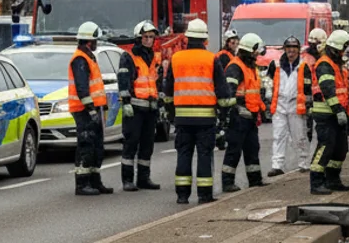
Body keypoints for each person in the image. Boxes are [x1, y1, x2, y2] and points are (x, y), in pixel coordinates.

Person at [163, 18, 233, 204]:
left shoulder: (176, 58)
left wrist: (171, 114)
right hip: (205, 119)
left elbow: (168, 90)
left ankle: (182, 195)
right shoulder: (211, 59)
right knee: (204, 154)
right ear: (204, 40)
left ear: (187, 38)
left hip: (182, 119)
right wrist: (224, 115)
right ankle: (204, 195)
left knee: (183, 154)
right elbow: (223, 91)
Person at [118, 21, 162, 191]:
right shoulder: (129, 56)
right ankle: (127, 179)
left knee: (147, 144)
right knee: (131, 143)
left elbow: (158, 81)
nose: (149, 40)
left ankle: (144, 178)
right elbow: (124, 81)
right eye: (145, 37)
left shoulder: (154, 57)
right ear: (138, 38)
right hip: (135, 107)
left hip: (150, 108)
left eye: (151, 37)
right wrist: (126, 102)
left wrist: (161, 102)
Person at [70, 21, 112, 196]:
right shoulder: (80, 59)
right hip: (84, 110)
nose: (97, 43)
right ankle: (82, 184)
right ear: (89, 41)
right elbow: (82, 88)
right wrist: (91, 109)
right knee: (86, 145)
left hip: (92, 109)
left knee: (96, 146)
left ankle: (95, 181)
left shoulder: (88, 57)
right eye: (96, 40)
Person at [221, 33, 267, 191]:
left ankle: (255, 180)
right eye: (255, 51)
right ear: (250, 50)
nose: (257, 55)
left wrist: (260, 110)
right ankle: (227, 183)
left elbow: (253, 92)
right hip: (238, 117)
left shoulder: (250, 67)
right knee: (234, 150)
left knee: (253, 148)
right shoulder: (235, 67)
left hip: (250, 116)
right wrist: (239, 109)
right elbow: (229, 92)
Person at [311, 30, 349, 195]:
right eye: (342, 49)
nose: (344, 52)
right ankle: (316, 181)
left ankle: (333, 180)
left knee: (340, 148)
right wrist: (338, 111)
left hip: (337, 112)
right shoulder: (325, 64)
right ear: (336, 48)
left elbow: (342, 91)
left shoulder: (336, 64)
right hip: (326, 113)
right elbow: (328, 90)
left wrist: (346, 112)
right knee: (325, 147)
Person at [267, 36, 313, 177]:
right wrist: (268, 97)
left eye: (294, 48)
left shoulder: (304, 66)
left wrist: (309, 105)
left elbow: (308, 88)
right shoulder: (275, 64)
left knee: (299, 136)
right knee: (278, 136)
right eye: (288, 48)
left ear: (298, 50)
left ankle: (304, 163)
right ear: (284, 49)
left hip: (296, 105)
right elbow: (268, 82)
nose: (291, 51)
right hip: (279, 104)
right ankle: (277, 165)